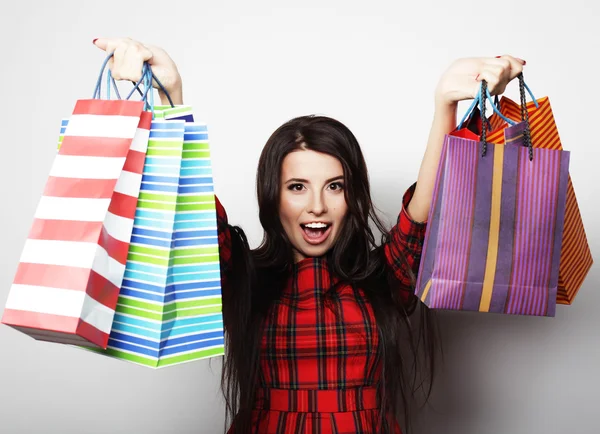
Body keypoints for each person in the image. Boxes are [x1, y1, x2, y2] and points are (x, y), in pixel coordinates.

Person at [93, 37, 525, 434]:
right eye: (297, 187)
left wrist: (443, 109)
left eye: (334, 186)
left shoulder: (382, 279)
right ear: (273, 195)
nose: (316, 205)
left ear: (352, 194)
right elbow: (196, 224)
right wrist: (172, 101)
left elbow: (421, 219)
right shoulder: (246, 279)